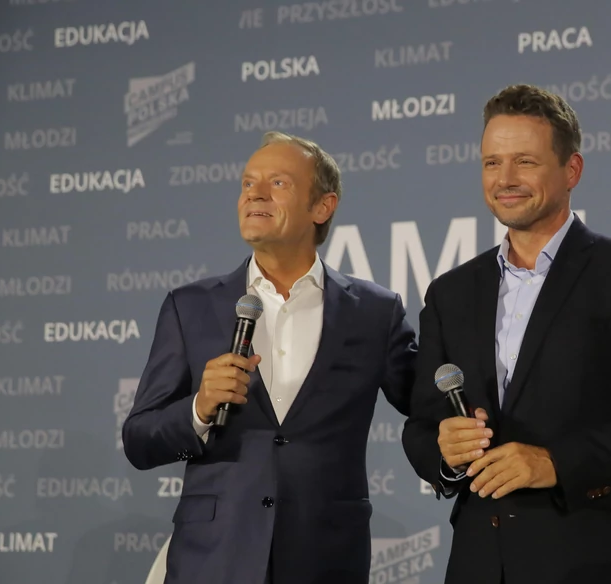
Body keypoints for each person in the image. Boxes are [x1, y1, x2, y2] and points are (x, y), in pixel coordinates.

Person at [401, 84, 611, 584]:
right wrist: (446, 452)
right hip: (480, 564)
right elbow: (421, 426)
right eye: (491, 163)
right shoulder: (450, 292)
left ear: (572, 170)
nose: (505, 179)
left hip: (599, 562)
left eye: (524, 161)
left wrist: (555, 463)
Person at [122, 131, 417, 584]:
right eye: (247, 182)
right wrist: (199, 409)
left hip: (325, 560)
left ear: (323, 207)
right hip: (214, 562)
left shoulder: (375, 312)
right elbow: (140, 442)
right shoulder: (190, 306)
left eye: (278, 182)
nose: (254, 194)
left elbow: (429, 409)